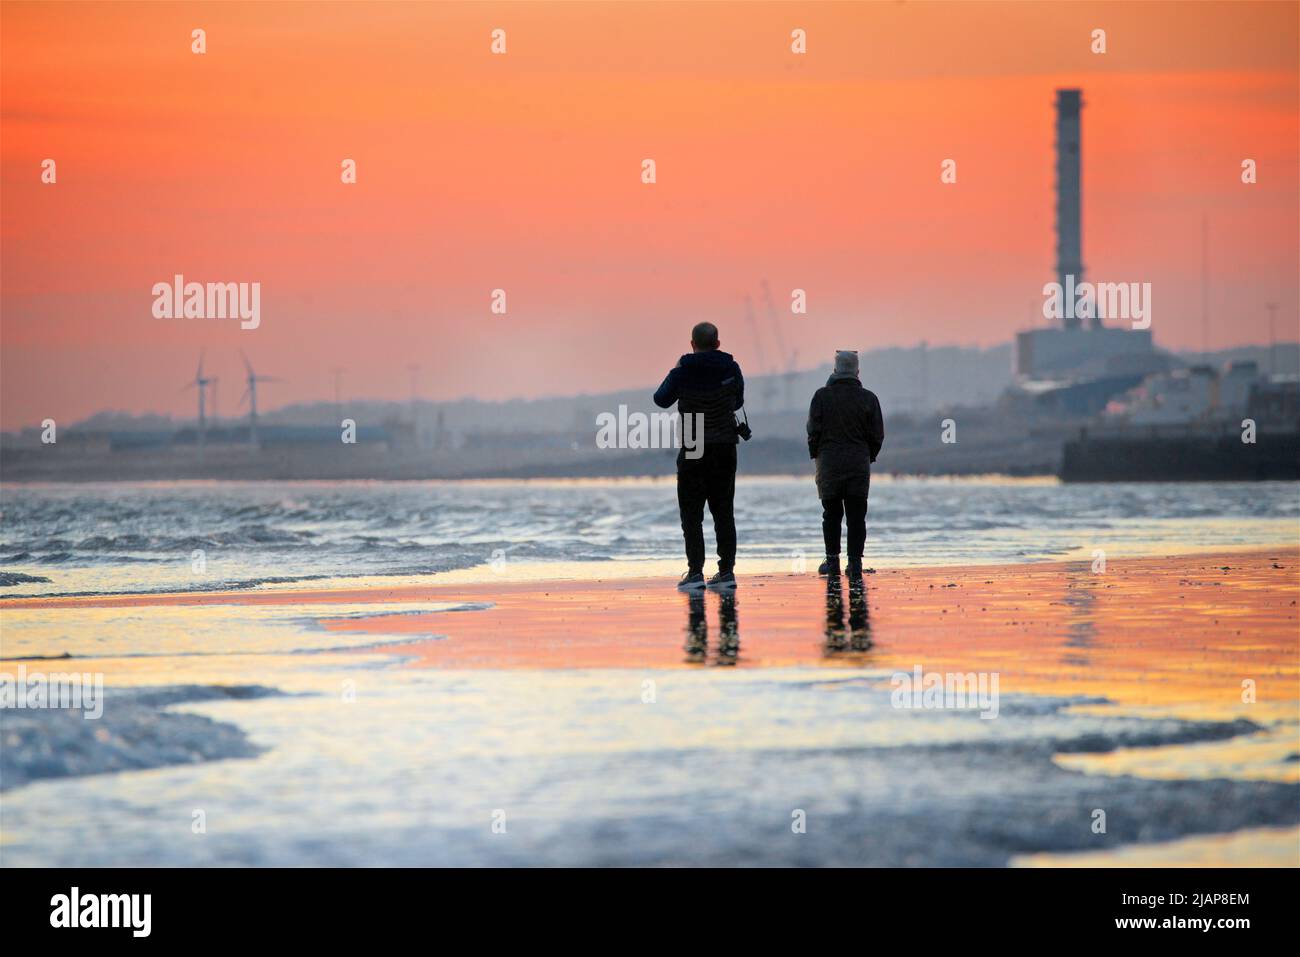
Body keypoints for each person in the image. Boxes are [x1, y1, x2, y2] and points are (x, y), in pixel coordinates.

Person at [653, 321, 745, 590]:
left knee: (691, 513)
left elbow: (661, 399)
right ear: (717, 343)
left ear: (692, 344)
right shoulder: (731, 367)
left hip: (694, 442)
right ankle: (726, 572)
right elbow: (738, 401)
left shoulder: (683, 369)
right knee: (723, 511)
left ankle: (695, 573)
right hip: (725, 445)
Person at [806, 350, 884, 581]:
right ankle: (855, 563)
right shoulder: (869, 398)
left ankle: (832, 562)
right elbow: (877, 435)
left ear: (835, 371)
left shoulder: (821, 396)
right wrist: (868, 456)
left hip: (829, 463)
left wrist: (816, 454)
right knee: (856, 516)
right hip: (858, 464)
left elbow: (813, 430)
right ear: (857, 372)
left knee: (831, 514)